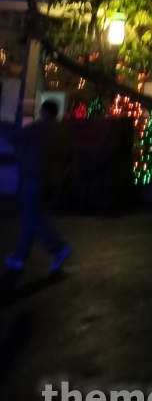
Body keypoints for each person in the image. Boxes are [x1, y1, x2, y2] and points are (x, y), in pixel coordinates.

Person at [5, 100, 73, 273]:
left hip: (35, 178)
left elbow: (15, 137)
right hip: (53, 180)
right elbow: (70, 158)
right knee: (32, 217)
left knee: (34, 216)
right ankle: (19, 258)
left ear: (44, 111)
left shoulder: (39, 128)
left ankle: (58, 247)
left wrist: (4, 125)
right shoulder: (64, 131)